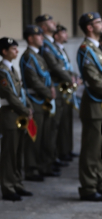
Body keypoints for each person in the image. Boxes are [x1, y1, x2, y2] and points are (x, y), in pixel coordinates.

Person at [76, 12, 102, 201]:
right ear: (89, 27)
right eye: (98, 22)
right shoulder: (86, 49)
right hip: (94, 105)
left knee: (101, 148)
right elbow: (95, 81)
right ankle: (88, 187)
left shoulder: (97, 48)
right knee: (91, 150)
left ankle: (100, 182)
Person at [36, 15, 73, 170]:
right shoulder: (44, 45)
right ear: (44, 27)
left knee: (59, 125)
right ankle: (49, 160)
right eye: (50, 22)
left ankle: (56, 155)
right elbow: (54, 66)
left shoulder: (51, 44)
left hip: (60, 87)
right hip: (54, 88)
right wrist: (71, 78)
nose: (54, 24)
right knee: (52, 127)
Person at [20, 25, 57, 181]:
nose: (42, 37)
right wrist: (49, 92)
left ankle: (42, 165)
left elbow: (45, 76)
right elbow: (34, 80)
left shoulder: (38, 55)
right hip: (35, 100)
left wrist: (50, 89)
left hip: (43, 100)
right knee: (34, 138)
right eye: (39, 36)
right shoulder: (29, 56)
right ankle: (31, 169)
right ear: (30, 38)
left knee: (44, 136)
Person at [0, 37, 33, 201]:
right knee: (9, 154)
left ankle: (17, 184)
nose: (17, 51)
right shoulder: (2, 71)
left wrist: (29, 108)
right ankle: (7, 187)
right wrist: (25, 110)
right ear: (4, 51)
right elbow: (10, 96)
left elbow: (21, 92)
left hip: (20, 114)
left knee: (19, 152)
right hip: (9, 115)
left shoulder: (12, 69)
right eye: (13, 49)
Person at [52, 24, 77, 162]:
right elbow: (58, 68)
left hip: (67, 87)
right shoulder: (52, 49)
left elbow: (66, 66)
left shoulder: (61, 49)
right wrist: (71, 78)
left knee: (67, 121)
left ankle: (66, 150)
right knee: (59, 123)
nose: (66, 35)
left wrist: (74, 76)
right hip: (60, 88)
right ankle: (59, 153)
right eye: (63, 33)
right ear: (56, 36)